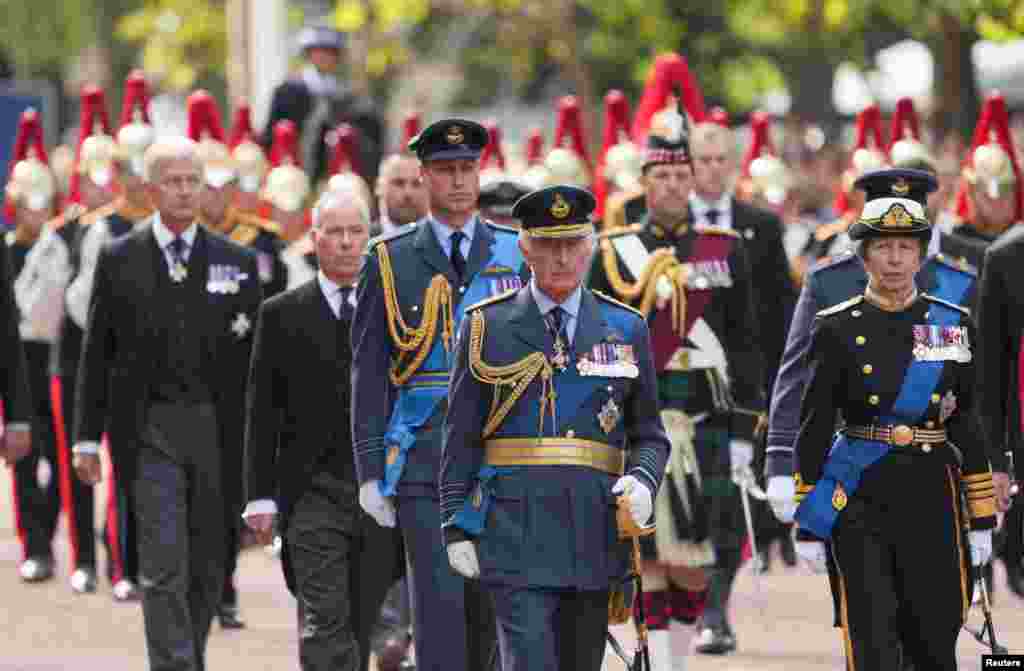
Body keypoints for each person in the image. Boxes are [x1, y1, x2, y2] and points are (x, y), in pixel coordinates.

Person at [440, 185, 669, 671]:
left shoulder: (624, 327)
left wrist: (644, 480)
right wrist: (454, 524)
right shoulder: (487, 326)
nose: (562, 257)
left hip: (593, 529)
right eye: (548, 244)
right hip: (513, 529)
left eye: (572, 243)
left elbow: (649, 433)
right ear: (525, 247)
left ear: (591, 244)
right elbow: (460, 434)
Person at [792, 168, 1000, 670]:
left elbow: (968, 420)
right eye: (883, 246)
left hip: (933, 494)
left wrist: (982, 519)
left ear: (921, 254)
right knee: (873, 640)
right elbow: (815, 424)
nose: (894, 258)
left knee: (934, 638)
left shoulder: (951, 323)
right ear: (864, 254)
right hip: (861, 498)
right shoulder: (837, 326)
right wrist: (807, 520)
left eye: (906, 247)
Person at [72, 136, 261, 671]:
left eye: (191, 181)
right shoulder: (119, 257)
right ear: (152, 189)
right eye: (173, 181)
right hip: (149, 430)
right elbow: (96, 354)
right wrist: (86, 437)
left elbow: (254, 370)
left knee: (207, 564)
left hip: (216, 432)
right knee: (163, 563)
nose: (183, 190)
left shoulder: (238, 261)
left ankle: (187, 658)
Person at [351, 118, 525, 671]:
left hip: (502, 455)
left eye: (467, 169)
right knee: (439, 609)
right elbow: (370, 371)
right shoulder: (388, 257)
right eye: (446, 171)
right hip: (425, 458)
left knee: (499, 610)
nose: (458, 182)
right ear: (424, 176)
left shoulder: (516, 253)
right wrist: (370, 470)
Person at [589, 116, 765, 659]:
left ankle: (677, 656)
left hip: (706, 417)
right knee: (647, 553)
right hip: (643, 417)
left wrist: (742, 431)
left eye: (680, 175)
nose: (671, 186)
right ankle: (661, 661)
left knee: (693, 563)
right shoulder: (613, 251)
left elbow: (745, 346)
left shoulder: (724, 249)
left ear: (693, 181)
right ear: (644, 180)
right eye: (660, 176)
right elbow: (597, 343)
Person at [244, 190, 403, 671]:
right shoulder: (281, 313)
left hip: (378, 489)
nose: (347, 243)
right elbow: (262, 410)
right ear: (315, 239)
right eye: (335, 233)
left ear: (370, 238)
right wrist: (260, 496)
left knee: (359, 618)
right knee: (324, 620)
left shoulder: (395, 312)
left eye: (357, 232)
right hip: (310, 493)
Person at [63, 70, 156, 602]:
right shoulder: (103, 228)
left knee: (137, 472)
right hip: (101, 355)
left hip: (145, 362)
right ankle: (101, 561)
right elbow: (80, 303)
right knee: (98, 462)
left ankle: (131, 563)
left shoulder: (161, 224)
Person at [6, 108, 59, 582]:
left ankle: (52, 527)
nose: (36, 210)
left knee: (60, 460)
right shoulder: (7, 251)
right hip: (19, 360)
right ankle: (36, 544)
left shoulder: (62, 245)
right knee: (24, 458)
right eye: (29, 201)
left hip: (56, 359)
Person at [263, 25, 384, 184]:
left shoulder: (348, 96)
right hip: (295, 174)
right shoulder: (287, 92)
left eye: (329, 52)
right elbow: (271, 136)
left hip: (333, 174)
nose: (324, 57)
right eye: (318, 51)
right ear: (308, 54)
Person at [376, 152, 430, 233]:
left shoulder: (447, 241)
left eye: (417, 184)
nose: (408, 193)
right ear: (379, 187)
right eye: (399, 183)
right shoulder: (363, 241)